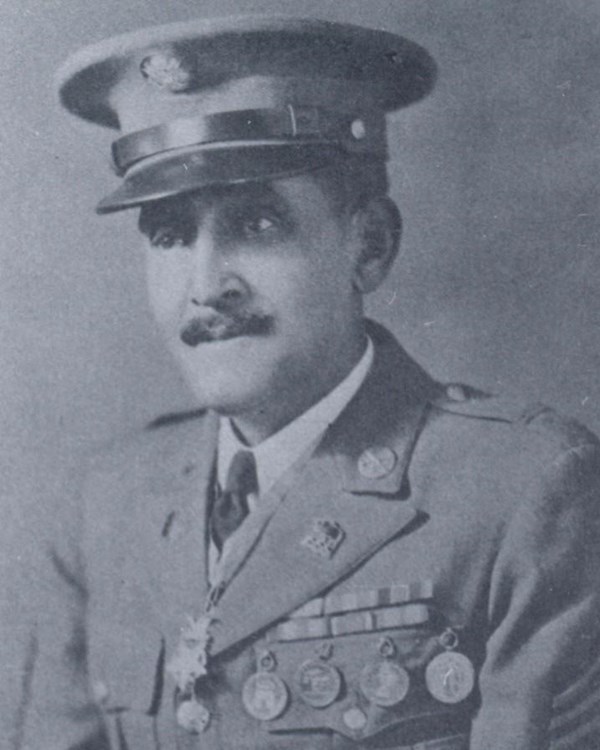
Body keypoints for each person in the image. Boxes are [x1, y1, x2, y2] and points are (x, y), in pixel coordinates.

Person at [10, 14, 600, 750]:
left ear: (371, 247)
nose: (205, 286)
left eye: (257, 224)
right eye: (169, 234)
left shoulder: (519, 496)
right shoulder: (102, 507)